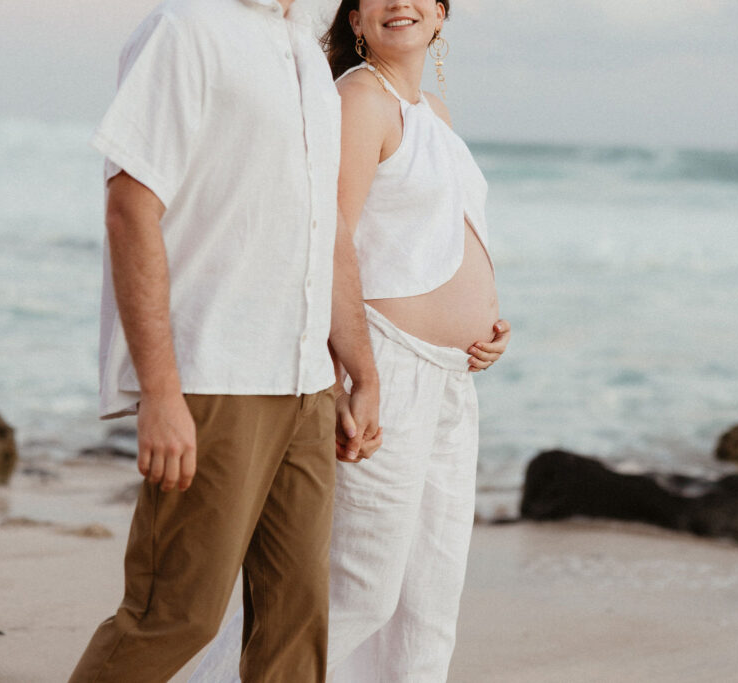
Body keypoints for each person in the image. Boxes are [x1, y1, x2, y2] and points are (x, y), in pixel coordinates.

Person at [190, 0, 510, 680]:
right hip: (386, 370)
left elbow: (431, 241)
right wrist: (353, 374)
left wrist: (487, 322)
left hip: (450, 380)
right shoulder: (360, 100)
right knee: (356, 590)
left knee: (427, 607)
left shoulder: (434, 116)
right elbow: (327, 237)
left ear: (443, 14)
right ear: (356, 21)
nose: (402, 3)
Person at [67, 0, 380, 680]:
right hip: (215, 374)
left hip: (305, 382)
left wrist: (360, 371)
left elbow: (324, 232)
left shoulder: (306, 54)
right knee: (172, 615)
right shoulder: (186, 29)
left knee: (295, 631)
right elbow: (130, 208)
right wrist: (159, 391)